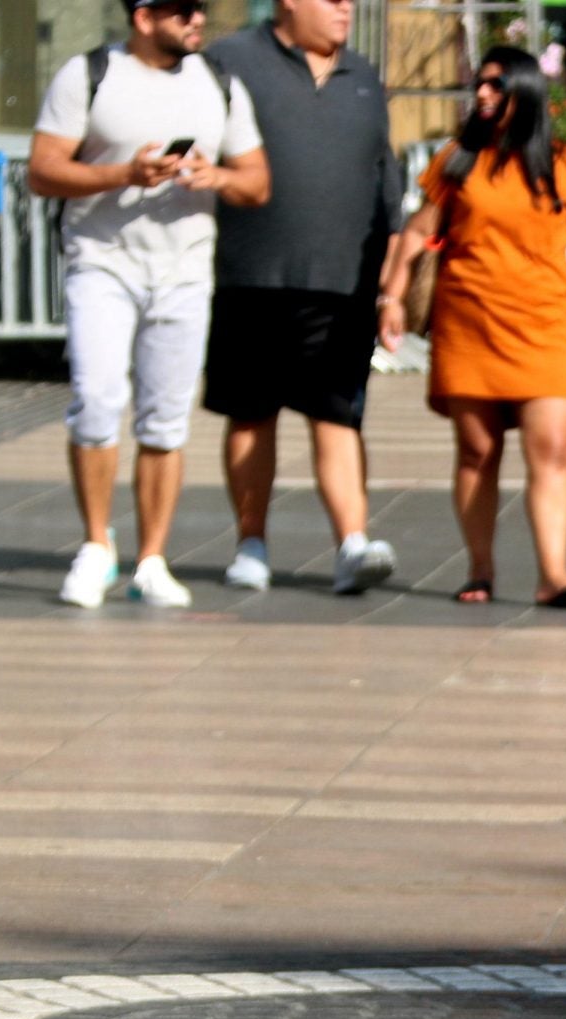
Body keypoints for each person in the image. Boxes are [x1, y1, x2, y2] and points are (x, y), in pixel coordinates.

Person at [35, 0, 267, 613]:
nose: (197, 19)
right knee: (96, 400)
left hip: (185, 270)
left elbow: (257, 180)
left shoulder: (219, 83)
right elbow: (43, 170)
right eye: (182, 10)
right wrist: (124, 175)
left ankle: (152, 560)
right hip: (102, 263)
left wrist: (214, 178)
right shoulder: (88, 75)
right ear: (143, 17)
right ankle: (94, 546)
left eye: (200, 9)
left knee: (166, 419)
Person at [378, 49, 566, 609]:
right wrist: (391, 296)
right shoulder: (459, 159)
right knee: (476, 452)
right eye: (478, 85)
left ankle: (554, 573)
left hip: (543, 328)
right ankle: (479, 568)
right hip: (469, 325)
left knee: (552, 449)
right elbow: (416, 232)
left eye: (494, 85)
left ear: (524, 92)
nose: (481, 94)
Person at [203, 0, 403, 597]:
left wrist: (392, 285)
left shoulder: (363, 76)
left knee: (337, 414)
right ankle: (251, 544)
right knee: (251, 413)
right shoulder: (230, 60)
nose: (346, 9)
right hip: (251, 275)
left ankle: (352, 544)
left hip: (344, 283)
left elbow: (385, 186)